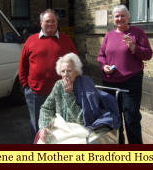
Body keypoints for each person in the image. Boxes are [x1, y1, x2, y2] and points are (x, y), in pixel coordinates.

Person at [19, 9, 78, 141]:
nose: (50, 24)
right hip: (36, 93)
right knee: (38, 126)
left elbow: (76, 62)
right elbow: (23, 66)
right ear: (41, 23)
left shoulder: (66, 40)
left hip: (61, 92)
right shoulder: (30, 40)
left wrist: (72, 82)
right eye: (47, 21)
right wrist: (25, 86)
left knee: (60, 126)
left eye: (53, 21)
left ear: (57, 23)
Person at [97, 5, 153, 144]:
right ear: (113, 19)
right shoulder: (109, 35)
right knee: (115, 118)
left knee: (131, 117)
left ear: (128, 17)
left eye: (122, 16)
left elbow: (148, 54)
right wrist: (104, 66)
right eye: (117, 16)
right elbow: (101, 55)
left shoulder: (137, 33)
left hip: (131, 81)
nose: (119, 18)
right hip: (110, 82)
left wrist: (134, 48)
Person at [38, 53, 120, 144]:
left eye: (69, 71)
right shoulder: (59, 85)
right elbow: (46, 108)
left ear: (76, 71)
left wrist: (69, 95)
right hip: (60, 127)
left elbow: (83, 120)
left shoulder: (86, 87)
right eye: (62, 71)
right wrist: (44, 126)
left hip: (79, 130)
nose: (65, 75)